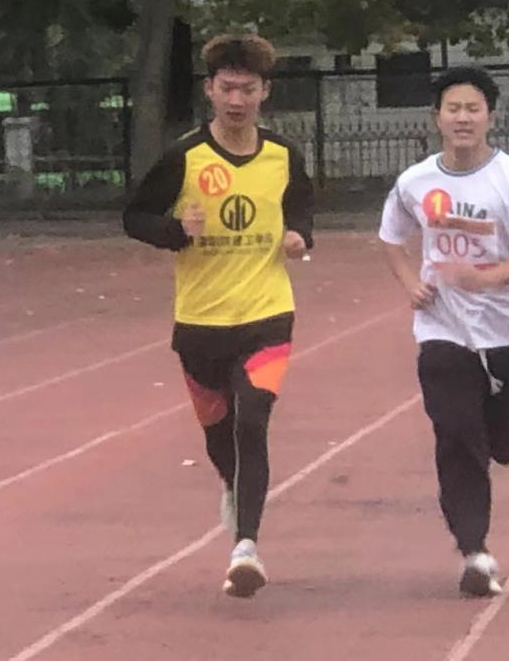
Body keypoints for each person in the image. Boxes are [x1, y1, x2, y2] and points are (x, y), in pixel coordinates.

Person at [123, 33, 314, 598]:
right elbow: (135, 216)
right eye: (227, 88)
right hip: (200, 323)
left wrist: (300, 235)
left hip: (267, 315)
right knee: (219, 436)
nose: (237, 100)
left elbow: (301, 207)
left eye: (247, 89)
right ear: (209, 90)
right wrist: (175, 231)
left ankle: (246, 547)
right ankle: (234, 486)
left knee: (252, 420)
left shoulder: (283, 155)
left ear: (264, 93)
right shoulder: (184, 157)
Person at [378, 66, 509, 597]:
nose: (462, 118)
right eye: (453, 108)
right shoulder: (415, 182)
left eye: (472, 109)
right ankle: (474, 551)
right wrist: (411, 283)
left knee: (504, 443)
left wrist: (487, 279)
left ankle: (505, 439)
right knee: (457, 434)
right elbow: (391, 237)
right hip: (443, 328)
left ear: (490, 117)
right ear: (436, 117)